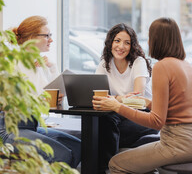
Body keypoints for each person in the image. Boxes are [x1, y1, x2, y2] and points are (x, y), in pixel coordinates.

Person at [93, 18, 192, 174]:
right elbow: (176, 109)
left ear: (156, 39)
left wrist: (117, 106)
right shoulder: (185, 65)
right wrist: (148, 102)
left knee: (115, 164)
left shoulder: (162, 66)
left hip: (175, 143)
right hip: (188, 140)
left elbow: (157, 122)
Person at [1, 16, 81, 168]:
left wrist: (52, 67)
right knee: (63, 155)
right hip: (8, 130)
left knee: (79, 147)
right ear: (32, 38)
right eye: (47, 35)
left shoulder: (37, 64)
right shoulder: (13, 62)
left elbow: (54, 93)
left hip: (29, 127)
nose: (51, 40)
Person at [95, 23, 158, 173]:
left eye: (127, 42)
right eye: (117, 41)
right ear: (110, 42)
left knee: (103, 132)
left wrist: (116, 99)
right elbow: (98, 96)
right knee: (102, 124)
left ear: (132, 46)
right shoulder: (104, 64)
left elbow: (138, 98)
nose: (121, 46)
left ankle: (107, 169)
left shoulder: (138, 62)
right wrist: (121, 99)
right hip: (115, 115)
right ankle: (105, 169)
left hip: (141, 115)